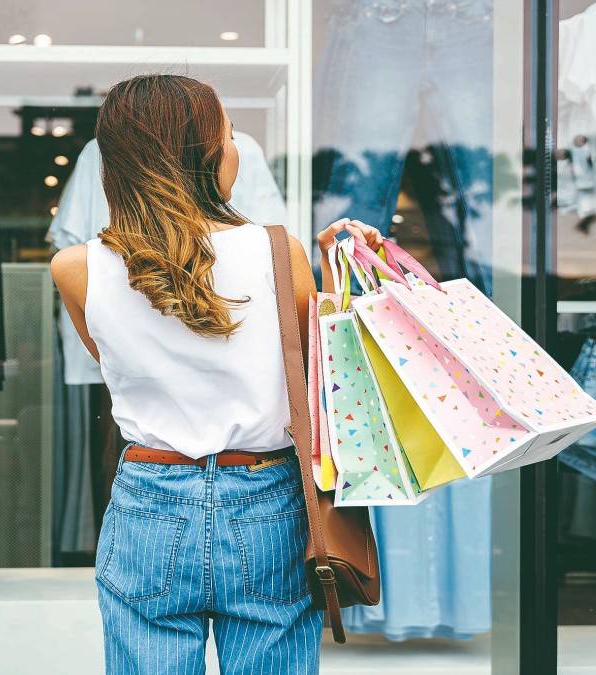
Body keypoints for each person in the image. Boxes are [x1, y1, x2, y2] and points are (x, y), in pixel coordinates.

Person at [51, 74, 384, 674]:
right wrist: (344, 277)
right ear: (207, 154)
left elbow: (120, 369)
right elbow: (322, 379)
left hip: (150, 499)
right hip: (267, 503)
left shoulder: (76, 268)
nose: (233, 148)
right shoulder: (281, 253)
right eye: (227, 135)